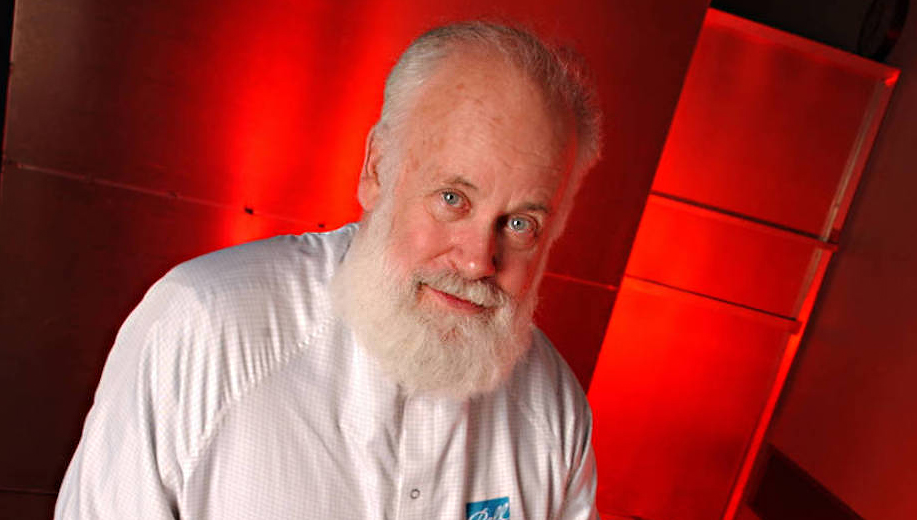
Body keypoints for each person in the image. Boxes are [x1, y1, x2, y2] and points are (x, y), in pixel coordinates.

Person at [55, 20, 603, 520]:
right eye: (453, 198)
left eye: (520, 225)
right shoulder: (203, 328)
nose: (477, 260)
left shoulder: (554, 411)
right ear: (377, 170)